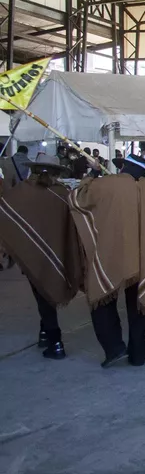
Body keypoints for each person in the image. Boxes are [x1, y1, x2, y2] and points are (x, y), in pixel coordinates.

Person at [70, 151, 145, 368]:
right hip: (143, 255)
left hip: (110, 252)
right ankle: (138, 352)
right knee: (138, 302)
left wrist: (92, 174)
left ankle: (114, 348)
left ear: (124, 167)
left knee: (102, 298)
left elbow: (76, 199)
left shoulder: (104, 185)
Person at [0, 153, 82, 360]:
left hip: (31, 253)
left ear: (34, 170)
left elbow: (5, 213)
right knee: (47, 293)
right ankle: (46, 333)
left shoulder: (20, 192)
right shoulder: (63, 194)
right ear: (56, 173)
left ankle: (55, 341)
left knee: (43, 295)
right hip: (59, 251)